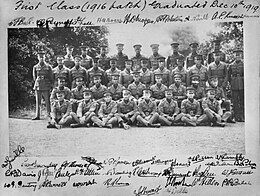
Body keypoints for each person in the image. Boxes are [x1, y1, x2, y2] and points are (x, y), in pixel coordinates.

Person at [32, 49, 53, 120]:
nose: (41, 58)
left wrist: (50, 85)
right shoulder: (35, 67)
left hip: (46, 85)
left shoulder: (48, 66)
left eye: (43, 57)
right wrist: (37, 83)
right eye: (40, 57)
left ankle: (49, 115)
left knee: (47, 101)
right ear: (38, 58)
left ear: (45, 58)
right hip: (38, 85)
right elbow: (34, 77)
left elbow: (51, 77)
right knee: (38, 101)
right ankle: (37, 115)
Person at [228, 49, 244, 122]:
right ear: (234, 56)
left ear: (241, 56)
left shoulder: (244, 64)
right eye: (236, 55)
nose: (237, 56)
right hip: (234, 84)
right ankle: (236, 116)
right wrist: (230, 83)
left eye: (239, 55)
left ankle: (242, 116)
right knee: (235, 101)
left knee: (242, 100)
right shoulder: (231, 65)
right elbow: (228, 76)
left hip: (242, 84)